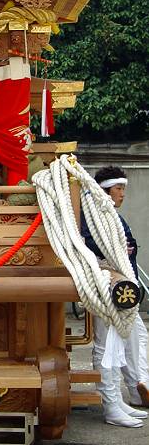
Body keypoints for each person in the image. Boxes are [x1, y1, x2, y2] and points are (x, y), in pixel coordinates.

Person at [81, 166, 149, 428]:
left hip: (120, 285)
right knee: (106, 344)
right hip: (106, 284)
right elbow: (89, 245)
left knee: (127, 340)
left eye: (123, 189)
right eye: (119, 188)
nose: (123, 194)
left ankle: (122, 398)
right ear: (105, 190)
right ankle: (111, 406)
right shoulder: (91, 215)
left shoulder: (109, 216)